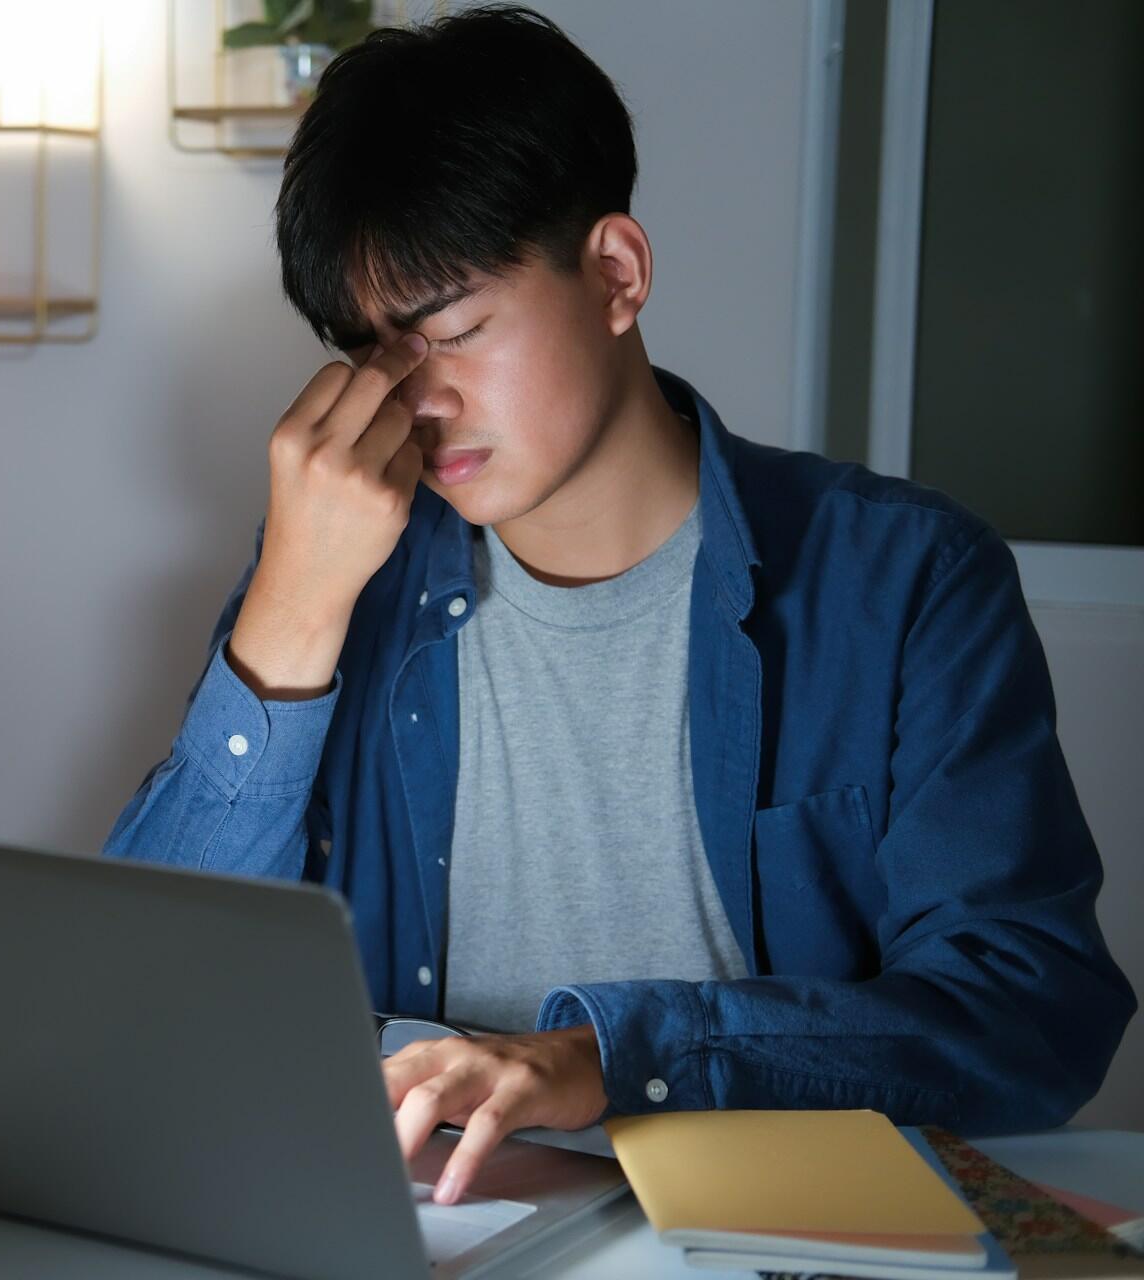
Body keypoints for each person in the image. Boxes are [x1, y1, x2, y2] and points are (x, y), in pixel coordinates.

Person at [101, 4, 1134, 1207]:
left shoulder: (906, 581)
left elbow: (1029, 1009)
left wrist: (612, 1059)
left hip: (775, 1225)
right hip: (435, 1225)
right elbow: (143, 993)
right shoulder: (337, 571)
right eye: (371, 350)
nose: (412, 402)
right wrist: (291, 595)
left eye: (454, 331)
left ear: (616, 274)